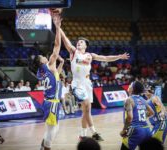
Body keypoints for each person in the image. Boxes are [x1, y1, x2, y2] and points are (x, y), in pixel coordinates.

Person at [59, 28, 130, 141]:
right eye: (78, 41)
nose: (78, 43)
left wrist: (119, 56)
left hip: (87, 83)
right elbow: (65, 40)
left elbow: (106, 58)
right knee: (86, 105)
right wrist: (59, 28)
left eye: (81, 42)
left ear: (86, 46)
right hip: (77, 83)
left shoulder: (90, 55)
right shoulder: (73, 52)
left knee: (86, 111)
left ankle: (82, 135)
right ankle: (94, 133)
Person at [34, 14, 62, 150]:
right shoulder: (50, 65)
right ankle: (46, 148)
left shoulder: (39, 72)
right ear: (42, 61)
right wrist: (58, 28)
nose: (45, 56)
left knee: (51, 128)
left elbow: (56, 75)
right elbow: (57, 46)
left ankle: (42, 148)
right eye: (42, 57)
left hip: (47, 101)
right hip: (52, 103)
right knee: (53, 130)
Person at [120, 81, 154, 150]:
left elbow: (130, 117)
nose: (129, 85)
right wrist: (141, 116)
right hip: (147, 130)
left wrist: (124, 130)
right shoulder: (143, 99)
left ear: (133, 89)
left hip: (135, 130)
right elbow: (151, 112)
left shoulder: (129, 100)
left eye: (130, 85)